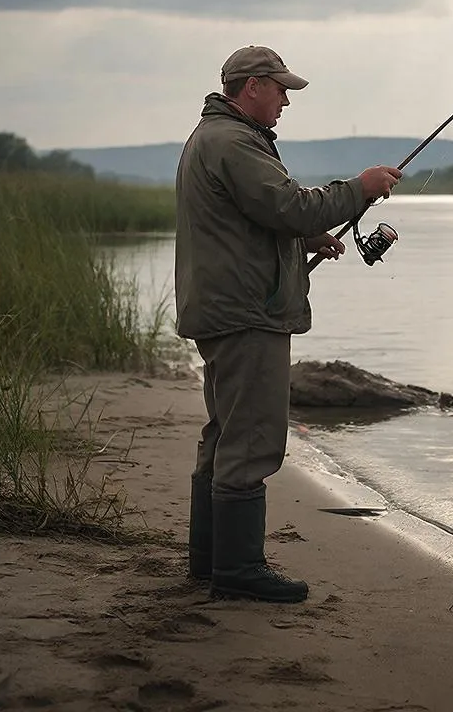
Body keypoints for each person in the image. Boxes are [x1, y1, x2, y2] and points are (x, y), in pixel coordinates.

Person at [175, 45, 401, 604]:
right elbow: (291, 206)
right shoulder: (232, 142)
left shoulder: (219, 139)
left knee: (225, 432)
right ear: (251, 86)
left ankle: (210, 563)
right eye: (280, 90)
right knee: (250, 437)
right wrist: (361, 187)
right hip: (245, 314)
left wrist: (303, 239)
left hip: (230, 309)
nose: (285, 100)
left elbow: (261, 219)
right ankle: (238, 571)